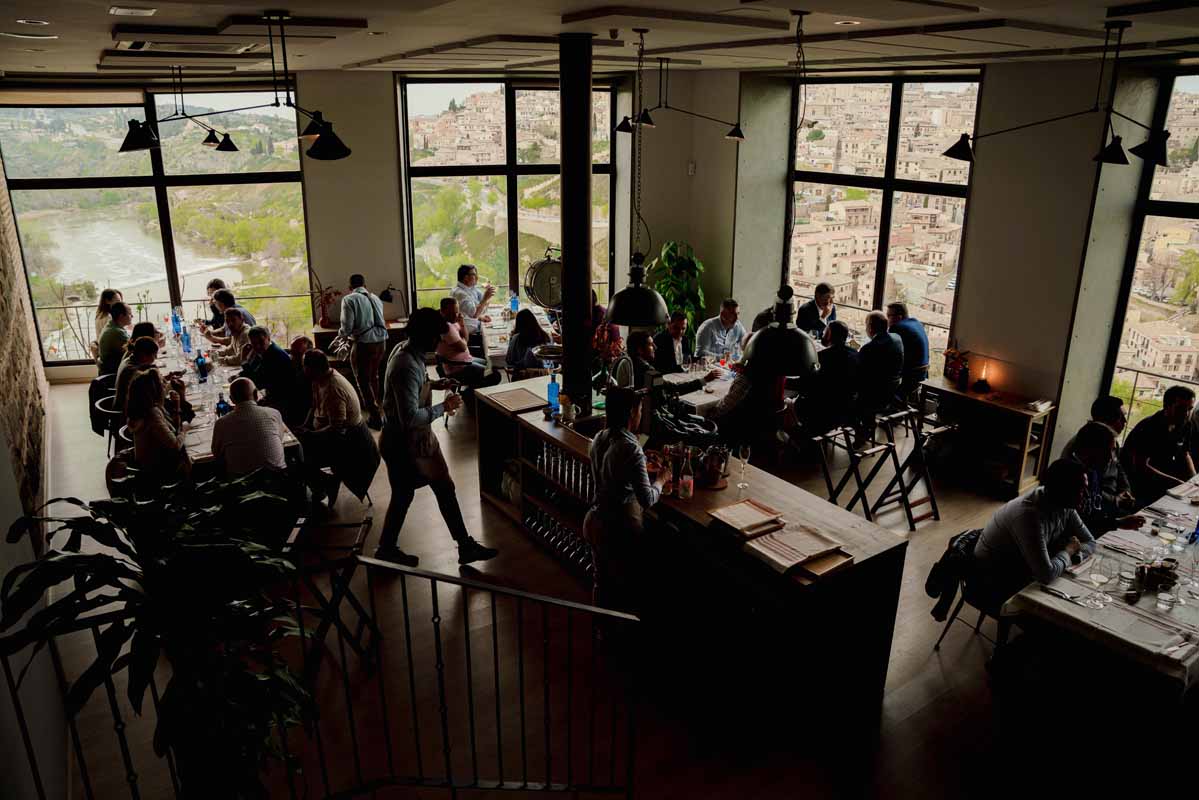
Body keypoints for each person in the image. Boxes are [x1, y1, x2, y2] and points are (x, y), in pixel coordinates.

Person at [374, 307, 498, 567]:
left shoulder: (407, 351)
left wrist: (435, 384)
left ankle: (462, 546)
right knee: (410, 494)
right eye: (437, 336)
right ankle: (388, 548)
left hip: (412, 440)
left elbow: (412, 390)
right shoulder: (406, 366)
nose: (440, 341)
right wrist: (445, 407)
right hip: (405, 443)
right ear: (426, 336)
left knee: (434, 489)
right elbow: (409, 418)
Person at [583, 387, 671, 611]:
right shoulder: (631, 448)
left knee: (600, 581)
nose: (641, 414)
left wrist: (640, 461)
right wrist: (661, 480)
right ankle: (620, 629)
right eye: (640, 410)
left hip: (594, 520)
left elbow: (615, 469)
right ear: (631, 412)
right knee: (624, 587)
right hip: (617, 528)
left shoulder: (599, 437)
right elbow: (647, 499)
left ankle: (599, 627)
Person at [973, 459, 1097, 603]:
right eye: (1081, 489)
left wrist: (1076, 555)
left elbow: (1090, 542)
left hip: (1021, 566)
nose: (1087, 495)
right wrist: (1068, 551)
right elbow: (1046, 575)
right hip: (992, 577)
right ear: (1063, 490)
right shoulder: (1029, 515)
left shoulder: (1064, 505)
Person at [297, 349, 375, 506]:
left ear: (313, 369)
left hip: (348, 441)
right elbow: (314, 406)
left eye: (304, 366)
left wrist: (311, 435)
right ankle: (323, 485)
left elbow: (336, 428)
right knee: (298, 450)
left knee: (301, 460)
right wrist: (304, 426)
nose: (302, 369)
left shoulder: (333, 389)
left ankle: (327, 484)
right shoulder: (318, 379)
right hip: (328, 433)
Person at [1067, 421, 1145, 536]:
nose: (1111, 458)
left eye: (1112, 451)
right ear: (1090, 449)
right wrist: (1118, 523)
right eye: (1106, 451)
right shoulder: (1072, 476)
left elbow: (1094, 513)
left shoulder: (1092, 470)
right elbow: (1080, 524)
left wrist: (1118, 521)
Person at [1122, 384, 1197, 502]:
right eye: (1181, 408)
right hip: (1138, 481)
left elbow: (1185, 453)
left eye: (1190, 409)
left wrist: (1194, 480)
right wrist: (1176, 482)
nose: (1186, 413)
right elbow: (1141, 466)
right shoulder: (1149, 427)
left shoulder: (1186, 424)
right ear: (1166, 406)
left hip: (1163, 476)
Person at [1062, 396, 1136, 514]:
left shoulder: (1113, 443)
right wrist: (1115, 501)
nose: (1125, 422)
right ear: (1107, 419)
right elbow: (1086, 490)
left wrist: (1125, 491)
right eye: (1121, 418)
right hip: (1096, 506)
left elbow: (1119, 469)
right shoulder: (1081, 447)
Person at [339, 273, 388, 429]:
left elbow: (347, 327)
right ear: (365, 286)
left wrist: (340, 336)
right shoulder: (375, 298)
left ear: (350, 288)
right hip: (381, 342)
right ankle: (380, 411)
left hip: (364, 344)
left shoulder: (349, 299)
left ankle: (375, 417)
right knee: (374, 376)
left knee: (363, 381)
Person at [211, 377, 288, 477]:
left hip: (242, 483)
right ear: (256, 395)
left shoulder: (221, 423)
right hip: (278, 479)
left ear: (231, 400)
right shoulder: (273, 413)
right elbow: (280, 440)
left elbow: (217, 454)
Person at [125, 368, 190, 481]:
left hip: (150, 463)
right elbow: (175, 445)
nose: (165, 385)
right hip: (158, 471)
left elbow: (173, 430)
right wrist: (184, 430)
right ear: (154, 391)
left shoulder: (145, 407)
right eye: (162, 383)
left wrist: (177, 406)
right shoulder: (151, 414)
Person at [800, 320, 860, 435]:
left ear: (829, 335)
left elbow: (806, 384)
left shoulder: (823, 357)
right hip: (847, 409)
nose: (823, 334)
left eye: (824, 332)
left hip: (823, 411)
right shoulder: (855, 354)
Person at [854, 310, 904, 445]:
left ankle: (861, 430)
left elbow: (858, 374)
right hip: (891, 392)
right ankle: (867, 425)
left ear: (870, 327)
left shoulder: (869, 348)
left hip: (872, 396)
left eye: (866, 325)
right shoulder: (897, 338)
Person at [241, 326, 302, 425]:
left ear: (268, 338)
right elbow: (255, 374)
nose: (258, 346)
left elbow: (256, 383)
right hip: (273, 397)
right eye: (254, 343)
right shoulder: (267, 351)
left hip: (286, 403)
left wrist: (244, 360)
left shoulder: (274, 355)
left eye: (261, 342)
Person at [436, 297, 501, 389]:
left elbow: (466, 339)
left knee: (491, 365)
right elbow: (463, 347)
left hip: (465, 360)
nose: (455, 315)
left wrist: (462, 324)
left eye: (456, 312)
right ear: (442, 311)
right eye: (451, 313)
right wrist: (464, 341)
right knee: (494, 375)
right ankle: (469, 393)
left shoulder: (453, 321)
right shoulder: (446, 328)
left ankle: (474, 389)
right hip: (458, 367)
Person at [885, 302, 930, 399]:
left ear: (899, 317)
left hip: (909, 376)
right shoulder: (916, 323)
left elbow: (888, 351)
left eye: (889, 316)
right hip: (922, 374)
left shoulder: (897, 328)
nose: (887, 319)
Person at [115, 336, 161, 418]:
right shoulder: (135, 372)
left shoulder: (130, 359)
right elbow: (155, 398)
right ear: (144, 355)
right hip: (128, 415)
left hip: (125, 406)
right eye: (154, 355)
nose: (156, 358)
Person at [451, 263, 495, 338]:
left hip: (475, 327)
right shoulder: (460, 294)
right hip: (469, 335)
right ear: (466, 277)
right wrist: (485, 298)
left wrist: (481, 317)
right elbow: (474, 314)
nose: (477, 277)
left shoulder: (470, 289)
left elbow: (479, 308)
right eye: (474, 274)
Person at [97, 301, 133, 375]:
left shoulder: (111, 325)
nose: (132, 316)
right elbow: (134, 350)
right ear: (121, 316)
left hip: (109, 368)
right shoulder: (117, 332)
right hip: (115, 372)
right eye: (129, 314)